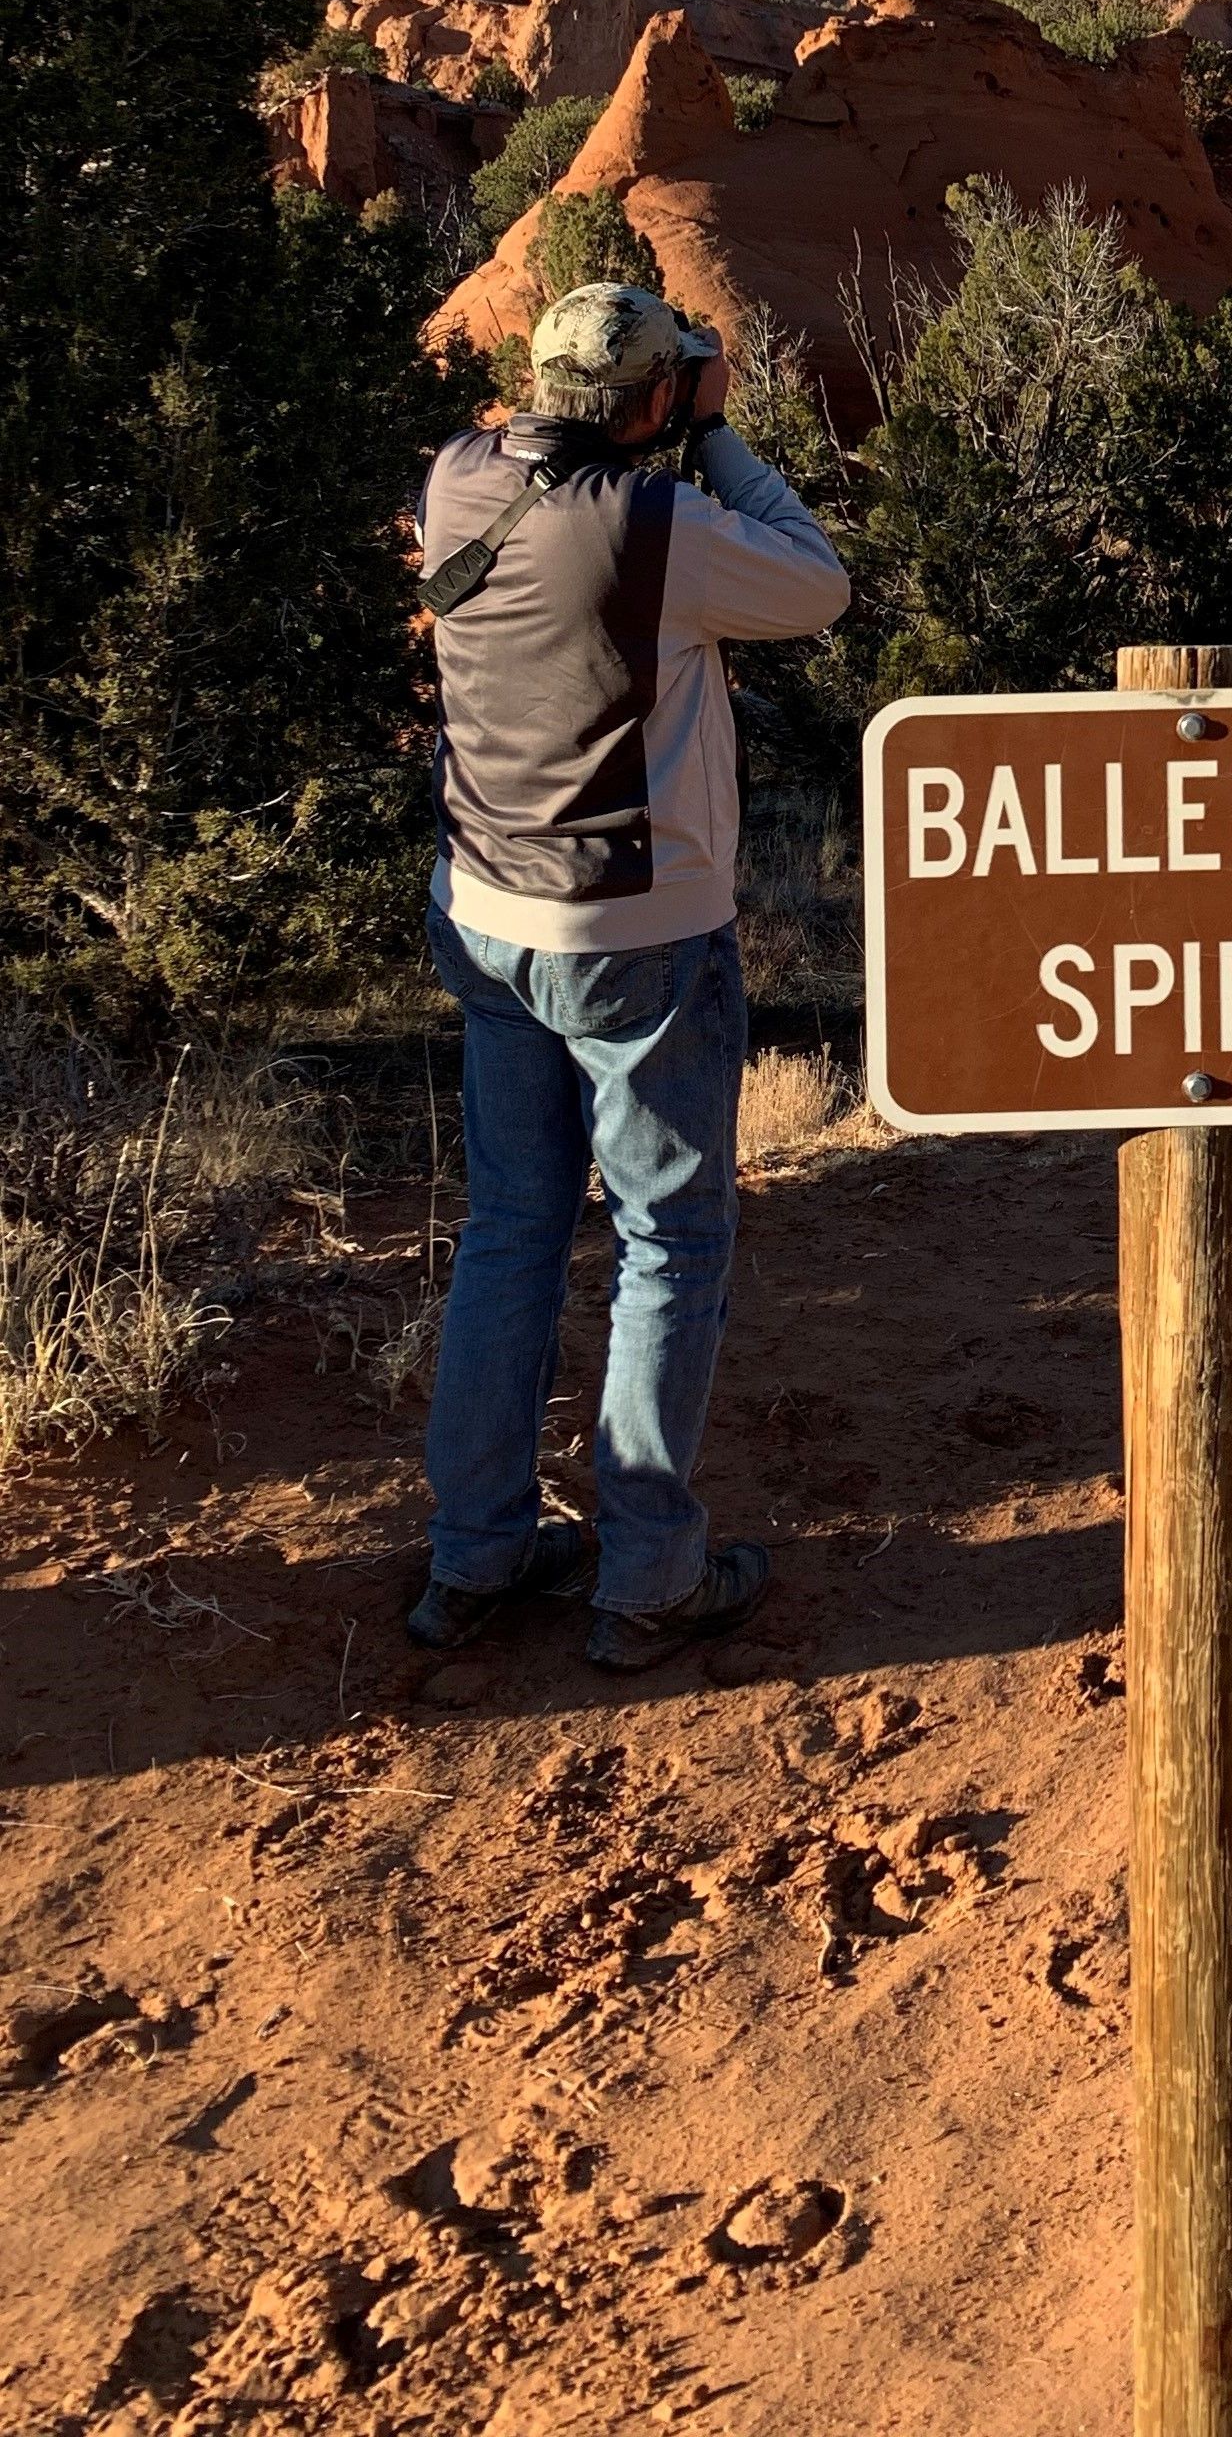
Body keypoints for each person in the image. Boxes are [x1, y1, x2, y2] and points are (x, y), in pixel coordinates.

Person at [407, 281, 849, 1670]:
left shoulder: (457, 477)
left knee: (511, 1228)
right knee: (667, 1240)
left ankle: (474, 1554)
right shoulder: (660, 524)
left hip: (486, 914)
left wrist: (648, 415)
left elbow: (534, 458)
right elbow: (818, 583)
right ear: (655, 400)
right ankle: (649, 1571)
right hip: (633, 930)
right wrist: (712, 434)